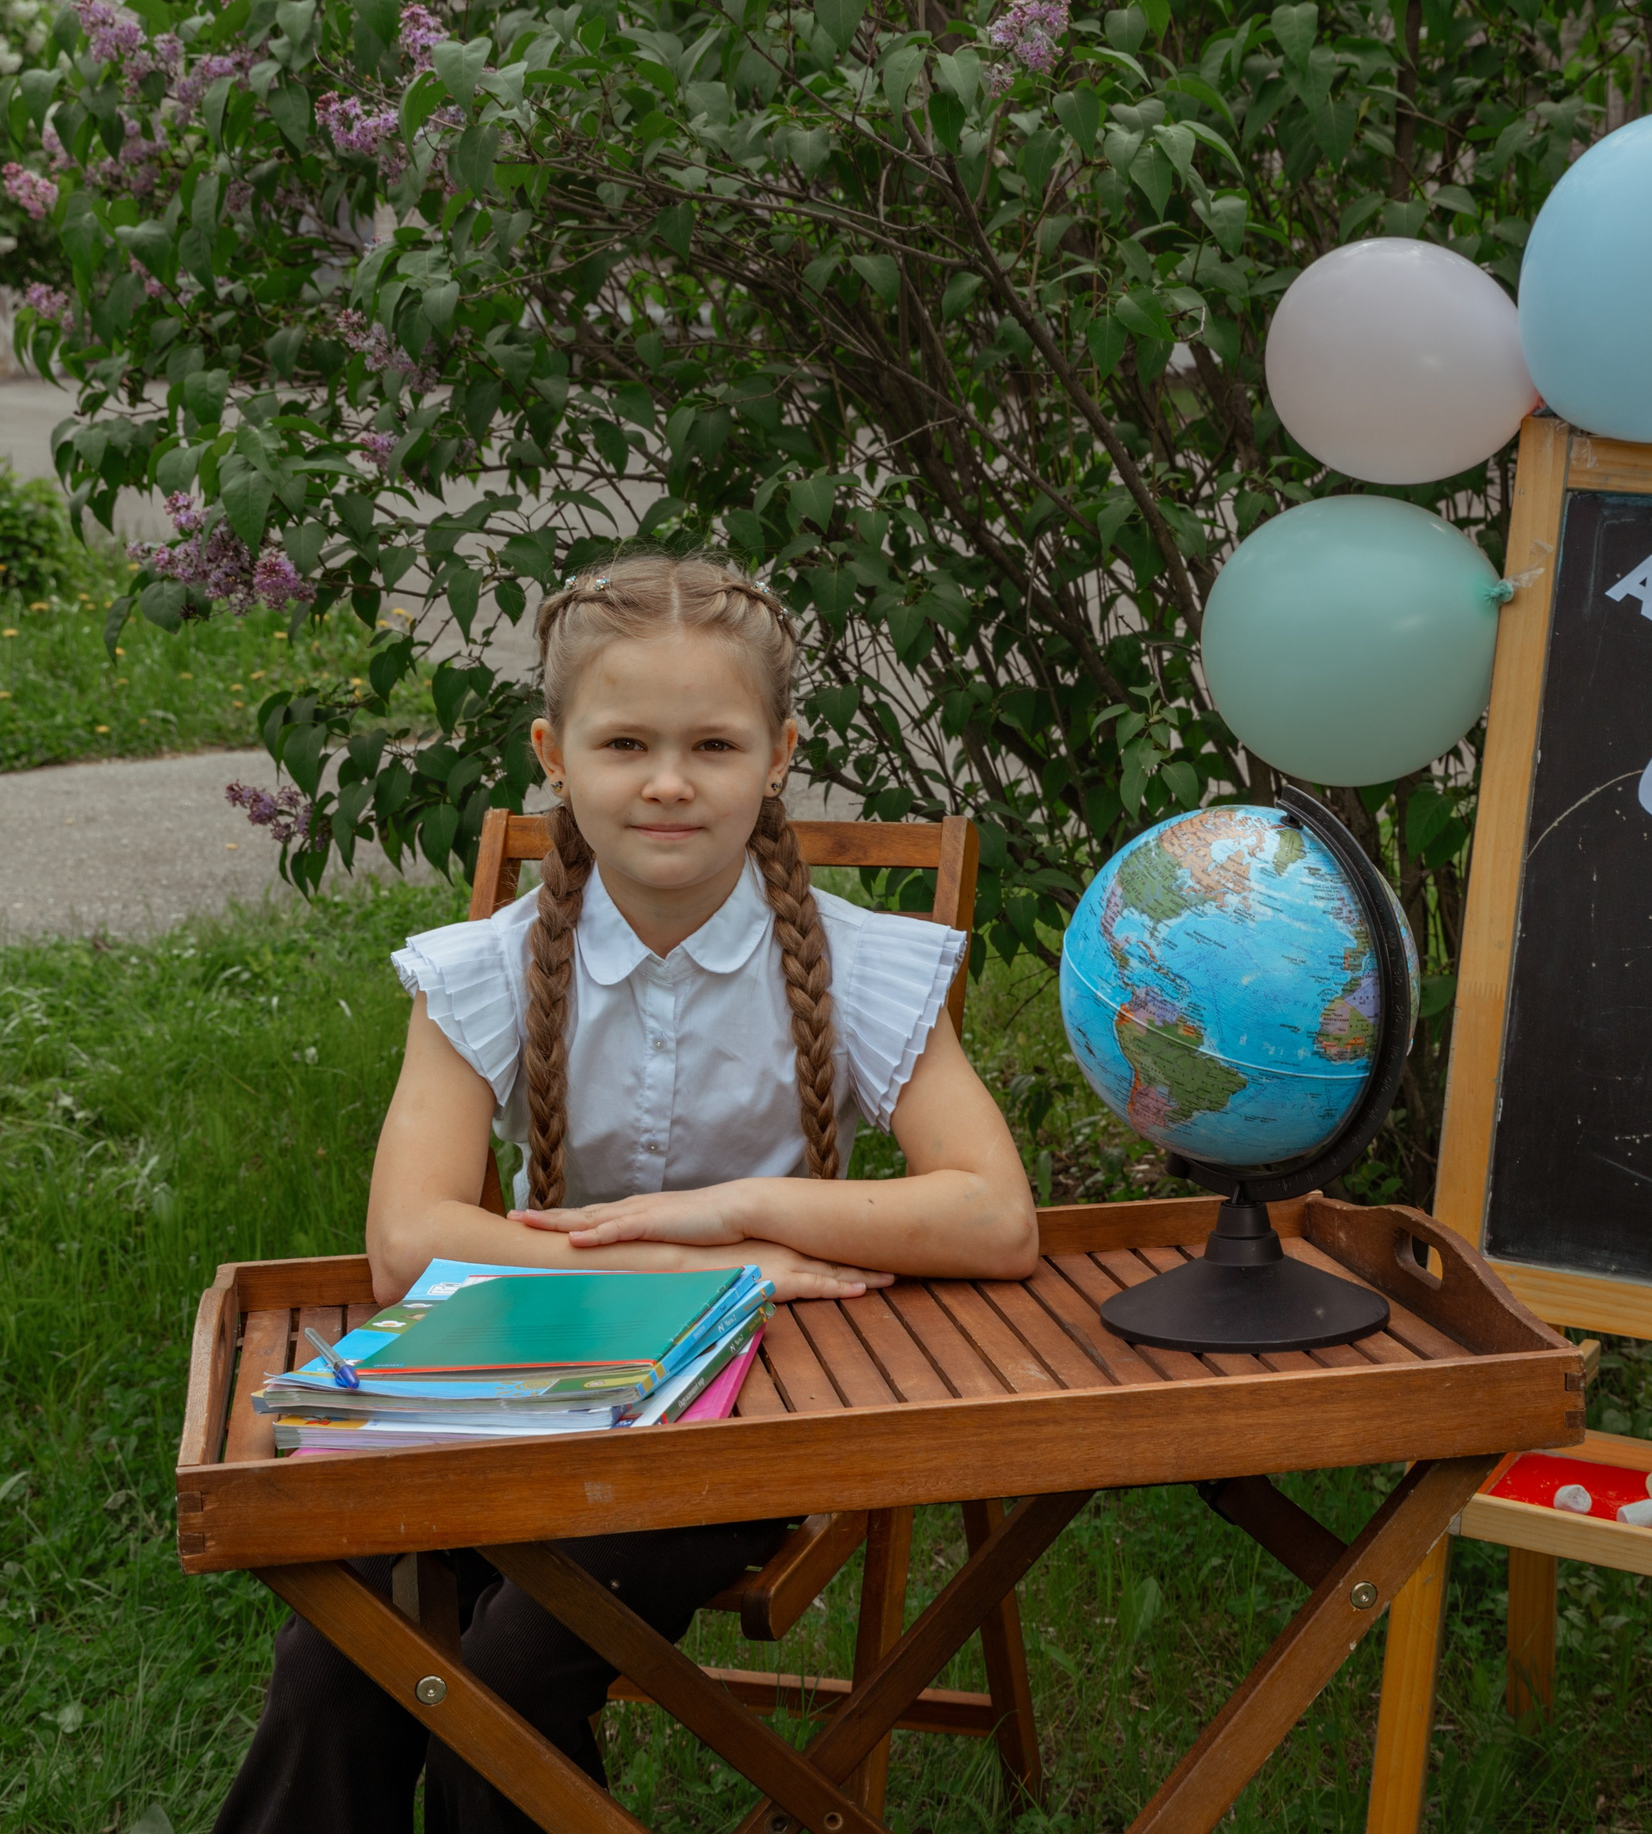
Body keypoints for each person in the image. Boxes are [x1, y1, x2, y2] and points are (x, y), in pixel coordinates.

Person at [215, 553, 1040, 1834]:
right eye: (625, 742)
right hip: (511, 1378)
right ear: (555, 754)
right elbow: (406, 1246)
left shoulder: (862, 963)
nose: (667, 781)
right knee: (338, 1659)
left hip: (748, 1411)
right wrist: (688, 1275)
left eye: (713, 742)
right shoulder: (483, 969)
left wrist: (728, 1219)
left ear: (779, 756)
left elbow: (994, 1215)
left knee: (502, 1674)